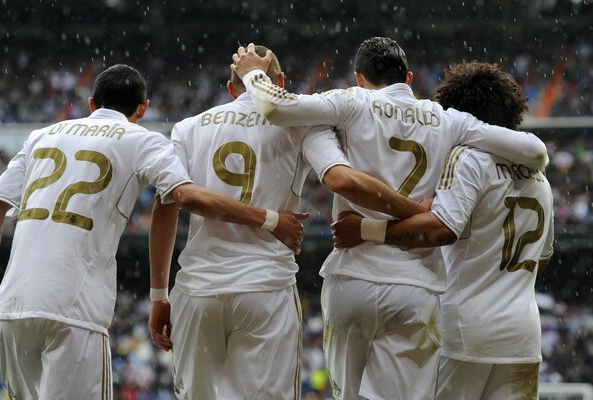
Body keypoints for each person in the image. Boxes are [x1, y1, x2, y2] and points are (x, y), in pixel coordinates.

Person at [232, 39, 550, 400]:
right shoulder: (448, 120)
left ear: (359, 77)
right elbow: (535, 151)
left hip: (351, 276)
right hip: (416, 286)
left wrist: (252, 73)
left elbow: (275, 107)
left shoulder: (351, 99)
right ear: (409, 78)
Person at [0, 64, 305, 400]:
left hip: (12, 308)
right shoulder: (143, 140)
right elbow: (183, 196)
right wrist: (270, 219)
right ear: (143, 108)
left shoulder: (41, 136)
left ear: (91, 104)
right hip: (73, 308)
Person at [148, 45, 429, 400]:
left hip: (198, 289)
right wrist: (415, 210)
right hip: (265, 286)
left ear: (230, 88)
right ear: (280, 82)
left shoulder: (187, 129)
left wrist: (159, 295)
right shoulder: (300, 124)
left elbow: (166, 206)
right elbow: (340, 178)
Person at [332, 61, 554, 400]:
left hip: (463, 331)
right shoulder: (541, 180)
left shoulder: (468, 158)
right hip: (522, 334)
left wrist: (365, 230)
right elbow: (542, 260)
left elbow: (441, 230)